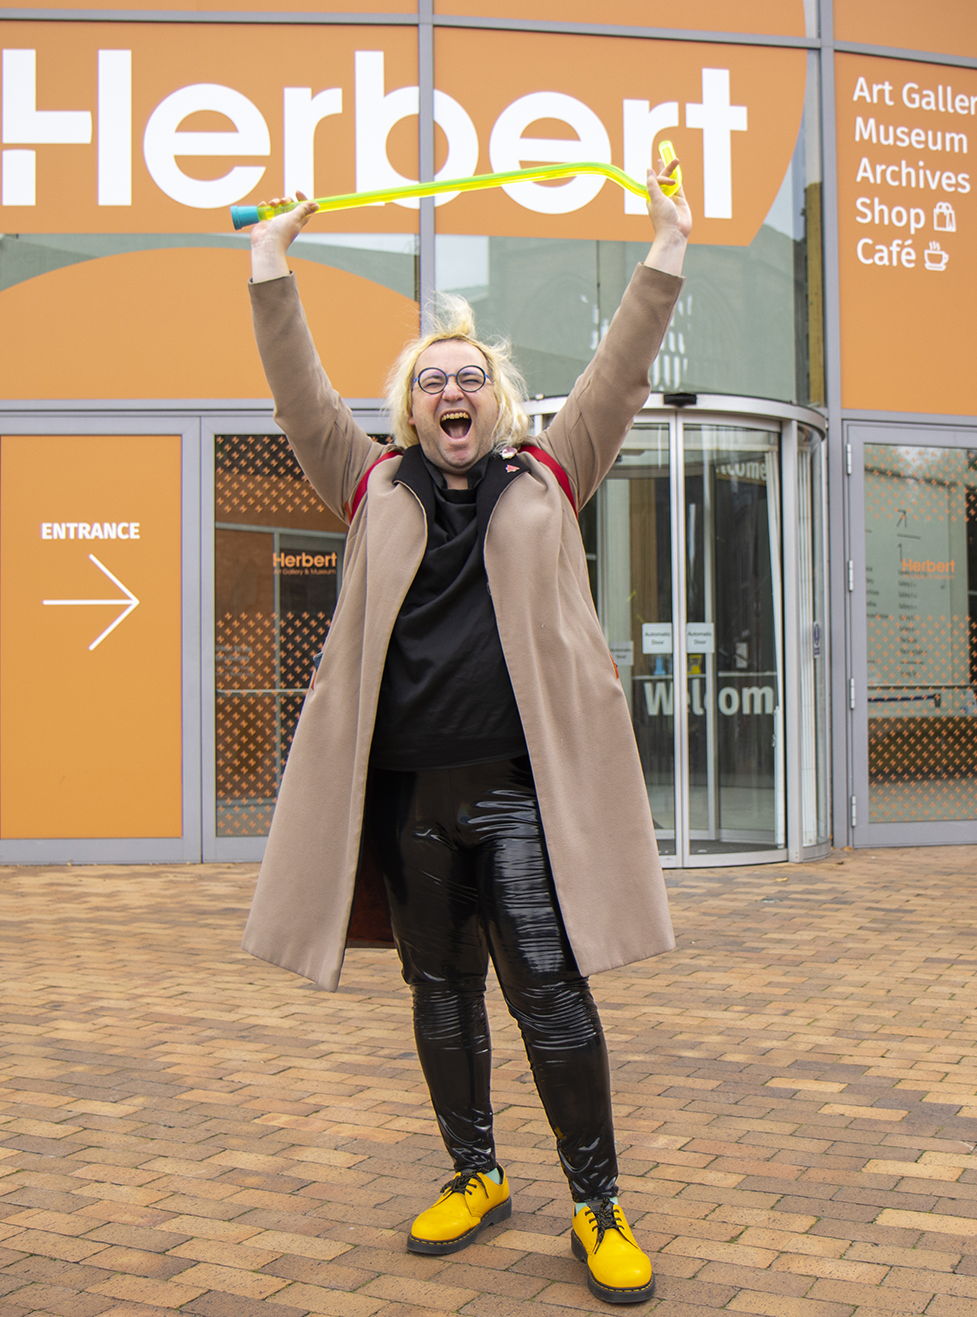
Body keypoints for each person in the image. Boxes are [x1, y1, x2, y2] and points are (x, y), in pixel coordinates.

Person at [241, 158, 689, 1305]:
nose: (452, 392)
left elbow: (622, 371)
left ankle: (597, 1205)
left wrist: (667, 243)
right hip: (405, 803)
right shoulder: (368, 485)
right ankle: (475, 1174)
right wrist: (268, 264)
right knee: (438, 995)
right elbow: (298, 394)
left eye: (469, 379)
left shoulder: (549, 472)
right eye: (431, 379)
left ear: (495, 403)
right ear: (410, 408)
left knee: (547, 991)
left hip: (517, 794)